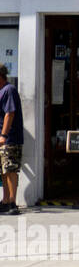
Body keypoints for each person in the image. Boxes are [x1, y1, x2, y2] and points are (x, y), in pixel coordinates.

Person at [0, 66, 23, 215]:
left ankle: (13, 202)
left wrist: (4, 135)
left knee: (10, 169)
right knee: (3, 170)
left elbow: (10, 113)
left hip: (10, 138)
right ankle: (5, 200)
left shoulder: (9, 90)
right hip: (3, 138)